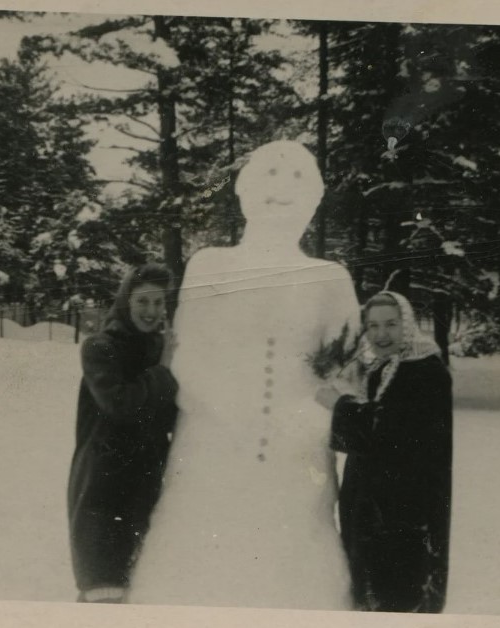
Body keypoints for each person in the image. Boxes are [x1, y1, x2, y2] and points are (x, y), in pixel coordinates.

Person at [128, 140, 360, 610]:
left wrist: (304, 422)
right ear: (245, 190)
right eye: (271, 175)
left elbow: (349, 373)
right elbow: (186, 357)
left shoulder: (330, 277)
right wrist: (227, 415)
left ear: (314, 198)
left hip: (295, 459)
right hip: (212, 450)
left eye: (298, 178)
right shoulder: (210, 265)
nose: (282, 190)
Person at [316, 290, 453, 613]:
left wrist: (339, 405)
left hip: (404, 514)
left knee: (399, 601)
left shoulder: (425, 371)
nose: (381, 334)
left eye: (390, 324)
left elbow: (387, 435)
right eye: (373, 326)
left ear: (407, 325)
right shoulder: (387, 368)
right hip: (376, 512)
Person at [66, 263, 179, 604]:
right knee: (104, 592)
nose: (151, 312)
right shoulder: (100, 347)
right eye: (143, 301)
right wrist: (162, 370)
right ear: (126, 301)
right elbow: (122, 405)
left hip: (144, 489)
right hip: (105, 488)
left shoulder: (159, 349)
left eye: (159, 303)